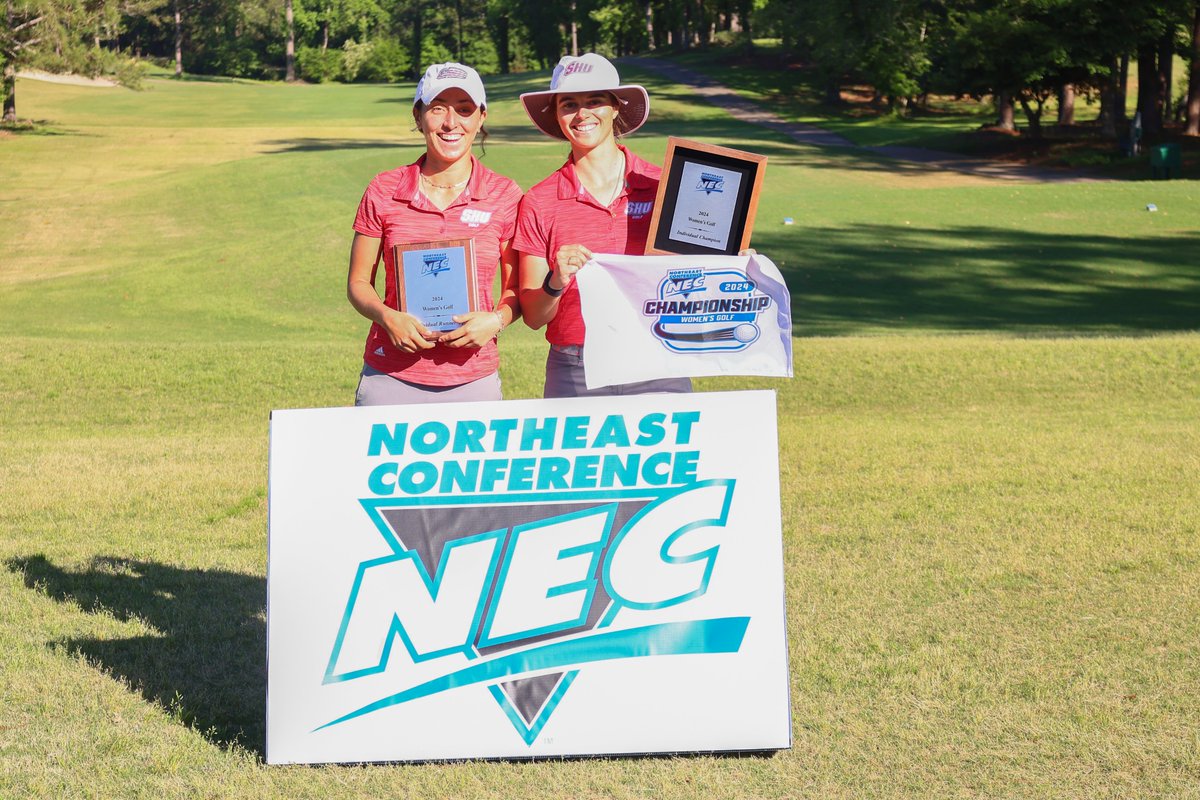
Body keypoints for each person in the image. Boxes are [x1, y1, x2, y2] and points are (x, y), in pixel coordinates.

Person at [513, 53, 693, 398]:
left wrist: (731, 258)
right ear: (557, 115)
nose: (582, 114)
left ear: (615, 108)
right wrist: (556, 280)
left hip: (659, 355)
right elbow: (535, 316)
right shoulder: (539, 200)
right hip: (577, 365)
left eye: (594, 101)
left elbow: (698, 268)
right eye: (569, 104)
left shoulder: (665, 185)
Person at [347, 62, 522, 405]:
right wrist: (387, 316)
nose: (450, 123)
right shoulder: (384, 189)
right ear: (418, 115)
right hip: (391, 375)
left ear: (481, 118)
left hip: (474, 378)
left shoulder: (505, 194)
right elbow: (357, 284)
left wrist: (496, 321)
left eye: (464, 110)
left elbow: (517, 288)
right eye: (437, 108)